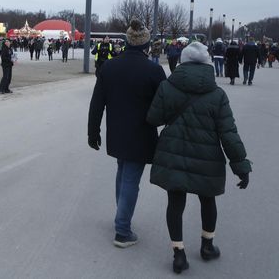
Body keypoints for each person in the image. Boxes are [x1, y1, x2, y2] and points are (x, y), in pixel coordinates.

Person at [146, 42, 251, 273]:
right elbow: (228, 133)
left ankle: (179, 253)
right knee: (207, 199)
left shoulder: (167, 86)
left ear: (182, 61)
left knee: (175, 202)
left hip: (173, 151)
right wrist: (240, 165)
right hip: (207, 156)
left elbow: (153, 118)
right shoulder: (217, 94)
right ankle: (207, 245)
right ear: (207, 63)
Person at [87, 19, 166, 248]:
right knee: (130, 177)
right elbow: (165, 103)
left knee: (123, 173)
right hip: (142, 132)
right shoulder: (154, 70)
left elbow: (96, 103)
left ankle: (121, 217)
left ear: (127, 41)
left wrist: (93, 132)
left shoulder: (110, 67)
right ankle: (122, 229)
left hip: (116, 131)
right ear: (146, 44)